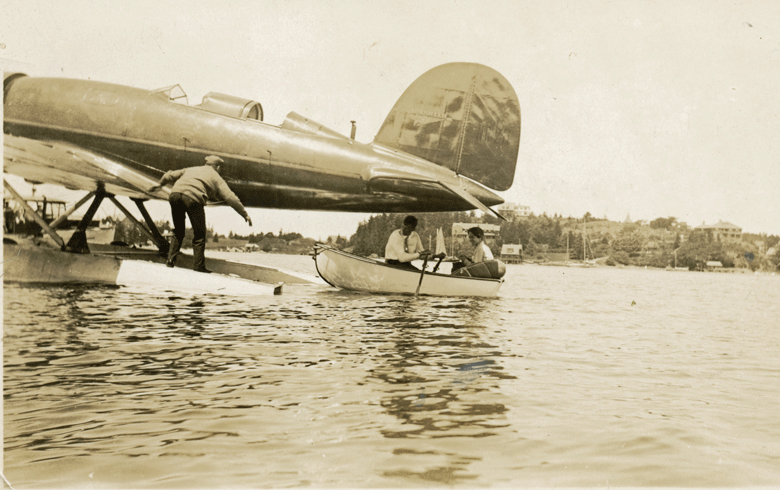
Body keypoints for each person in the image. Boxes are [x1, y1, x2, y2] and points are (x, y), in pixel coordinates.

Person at [148, 155, 252, 273]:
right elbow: (230, 197)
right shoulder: (216, 177)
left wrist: (159, 185)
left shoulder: (191, 169)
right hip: (193, 198)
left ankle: (170, 261)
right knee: (199, 234)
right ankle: (199, 266)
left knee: (178, 230)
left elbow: (168, 175)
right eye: (220, 169)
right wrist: (244, 214)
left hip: (175, 195)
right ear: (217, 167)